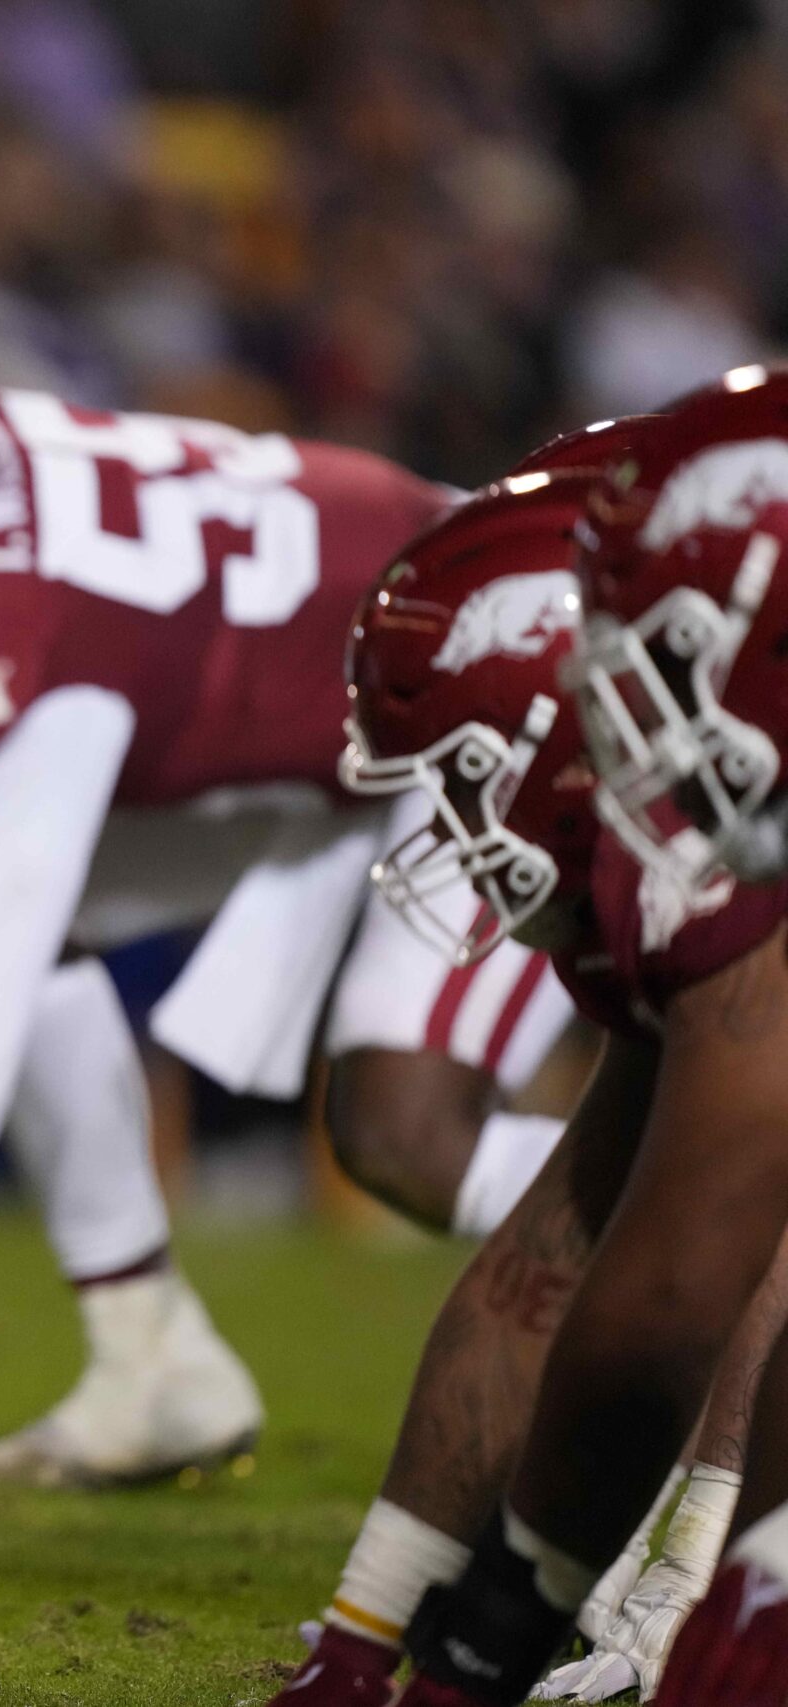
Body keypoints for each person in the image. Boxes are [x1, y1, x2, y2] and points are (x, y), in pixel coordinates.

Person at [0, 354, 570, 1495]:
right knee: (31, 936)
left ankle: (727, 1212)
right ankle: (149, 1357)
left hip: (514, 666)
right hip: (411, 653)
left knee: (408, 1135)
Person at [259, 432, 788, 1707]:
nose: (456, 832)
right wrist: (361, 1639)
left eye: (465, 774)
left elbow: (673, 1292)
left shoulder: (711, 856)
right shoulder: (665, 854)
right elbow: (548, 1263)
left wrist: (699, 1580)